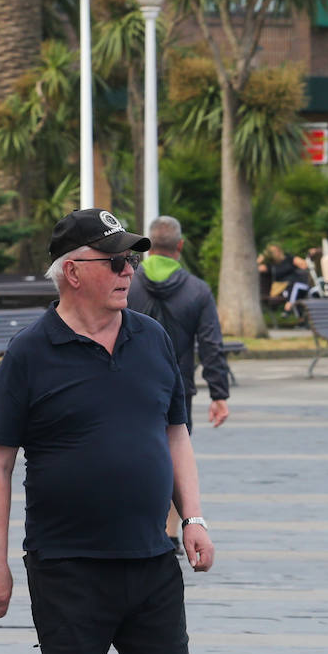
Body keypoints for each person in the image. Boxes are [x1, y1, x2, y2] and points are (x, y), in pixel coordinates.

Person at [0, 208, 215, 654]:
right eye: (115, 261)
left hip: (152, 561)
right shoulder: (30, 352)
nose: (129, 270)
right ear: (73, 271)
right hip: (68, 570)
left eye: (130, 259)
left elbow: (176, 433)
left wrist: (193, 516)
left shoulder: (151, 339)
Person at [128, 215, 231, 554]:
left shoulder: (129, 284)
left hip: (126, 386)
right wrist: (219, 394)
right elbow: (211, 344)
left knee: (129, 455)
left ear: (148, 245)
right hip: (177, 390)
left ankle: (136, 526)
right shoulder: (197, 290)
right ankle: (170, 533)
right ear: (180, 247)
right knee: (172, 458)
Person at [257, 242, 310, 313]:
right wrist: (260, 260)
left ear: (280, 250)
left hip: (300, 285)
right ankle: (298, 316)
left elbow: (305, 265)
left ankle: (288, 307)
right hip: (284, 290)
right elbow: (254, 270)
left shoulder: (289, 259)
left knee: (295, 286)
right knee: (291, 292)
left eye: (275, 251)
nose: (274, 253)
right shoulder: (271, 265)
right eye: (271, 252)